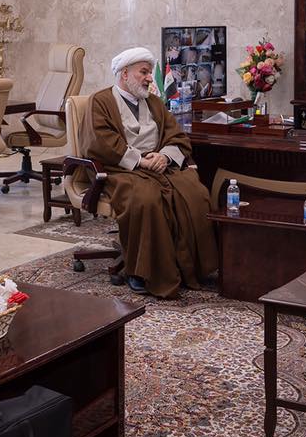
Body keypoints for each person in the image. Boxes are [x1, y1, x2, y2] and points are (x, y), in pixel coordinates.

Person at [85, 47, 219, 298]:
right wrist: (140, 161)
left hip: (159, 164)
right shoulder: (101, 101)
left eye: (149, 73)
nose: (149, 78)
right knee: (146, 199)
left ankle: (190, 267)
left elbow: (176, 135)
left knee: (196, 192)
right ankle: (141, 272)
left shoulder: (155, 102)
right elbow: (101, 142)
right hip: (120, 169)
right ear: (125, 74)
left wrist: (164, 156)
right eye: (144, 72)